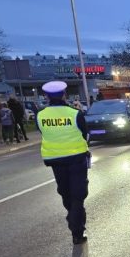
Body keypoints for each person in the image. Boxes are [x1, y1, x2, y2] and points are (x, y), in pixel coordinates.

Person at [36, 81, 91, 245]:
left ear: (46, 97)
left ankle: (74, 217)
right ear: (64, 95)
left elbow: (43, 132)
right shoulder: (75, 114)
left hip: (55, 161)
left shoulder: (40, 115)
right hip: (76, 159)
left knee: (66, 192)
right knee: (78, 194)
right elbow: (85, 135)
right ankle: (77, 228)